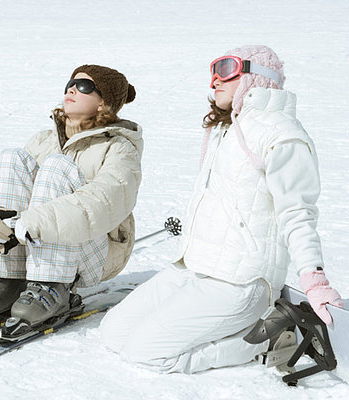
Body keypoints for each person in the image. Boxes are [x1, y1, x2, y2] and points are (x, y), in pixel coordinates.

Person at [100, 45, 344, 374]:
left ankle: (268, 339)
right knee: (113, 333)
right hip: (193, 268)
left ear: (258, 77)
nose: (215, 79)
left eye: (227, 69)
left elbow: (298, 214)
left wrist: (314, 280)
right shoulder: (226, 129)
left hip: (239, 282)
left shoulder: (282, 135)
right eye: (212, 70)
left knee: (144, 352)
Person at [0, 65, 142, 333]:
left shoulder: (119, 148)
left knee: (56, 167)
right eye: (70, 83)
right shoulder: (44, 140)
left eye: (85, 86)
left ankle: (52, 286)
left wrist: (34, 221)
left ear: (104, 103)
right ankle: (6, 278)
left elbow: (102, 203)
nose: (72, 89)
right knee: (11, 159)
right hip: (36, 241)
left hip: (98, 249)